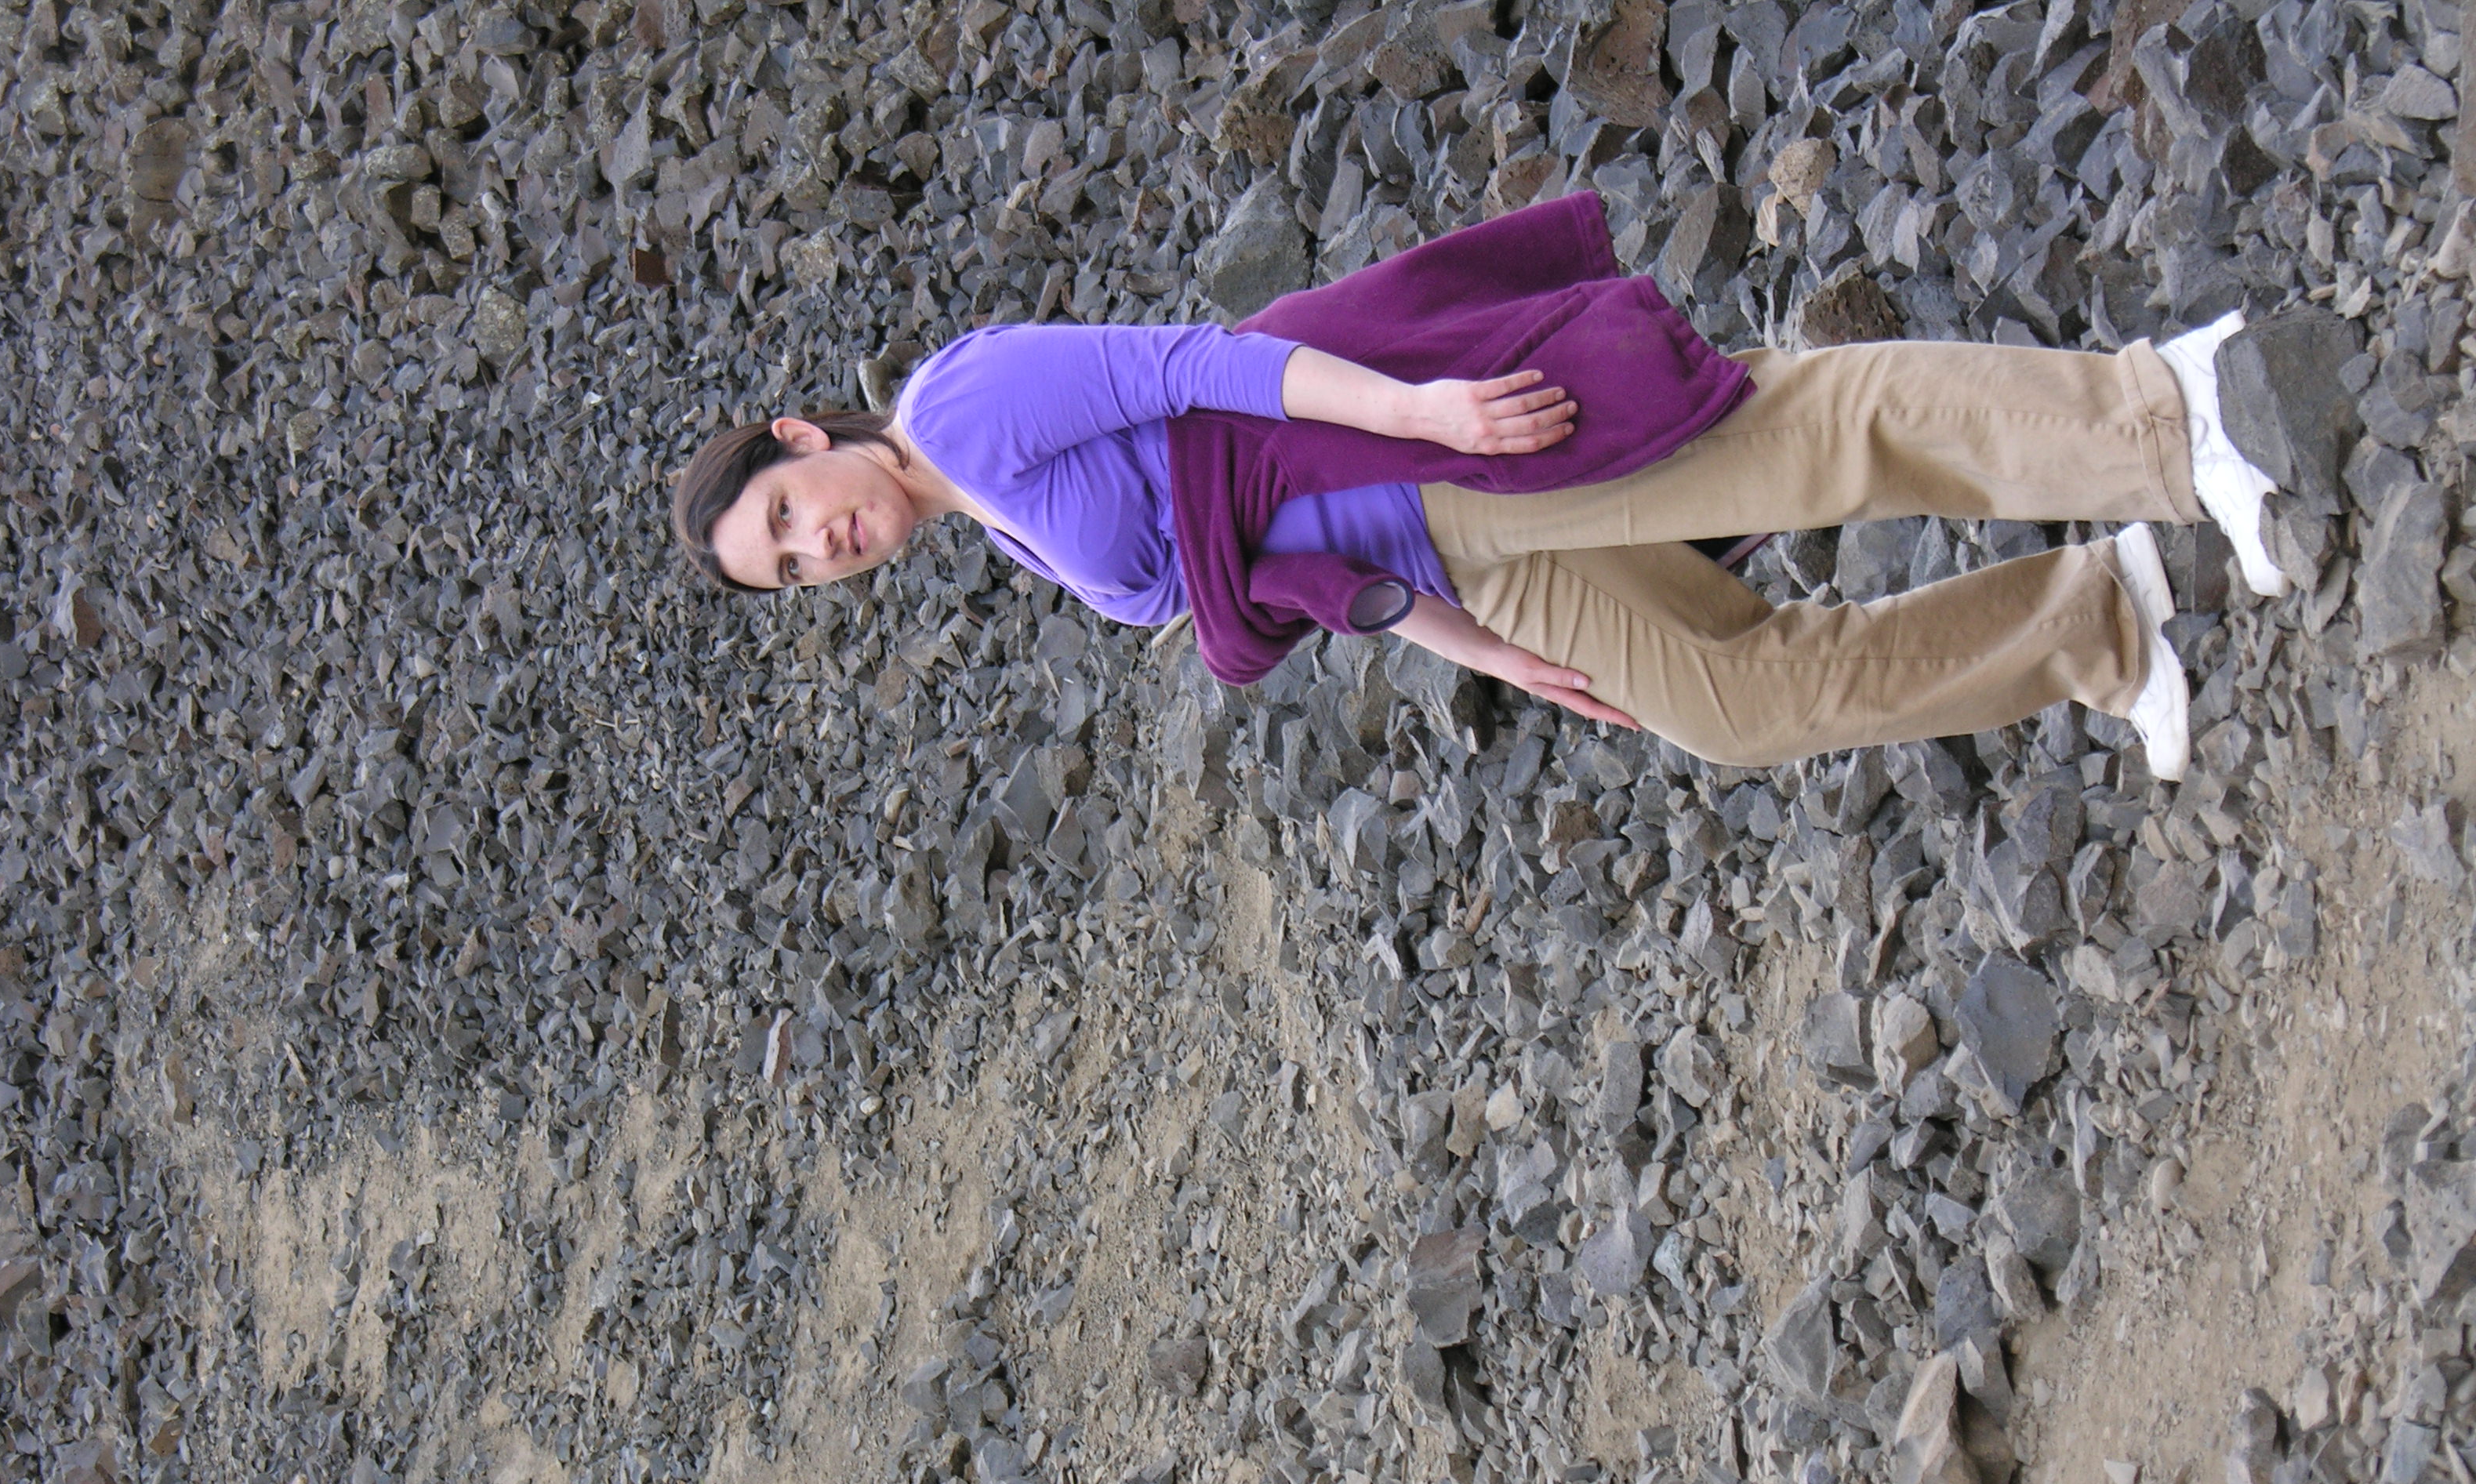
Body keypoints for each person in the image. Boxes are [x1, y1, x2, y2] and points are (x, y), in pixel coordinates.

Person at [672, 194, 2289, 781]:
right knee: (1728, 703)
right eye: (795, 569)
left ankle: (2168, 411)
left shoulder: (957, 409)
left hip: (1428, 450)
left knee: (1803, 439)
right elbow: (1287, 567)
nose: (825, 545)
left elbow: (1194, 365)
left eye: (788, 516)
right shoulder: (995, 523)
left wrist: (1422, 409)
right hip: (1450, 556)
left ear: (801, 442)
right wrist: (1482, 648)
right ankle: (2098, 626)